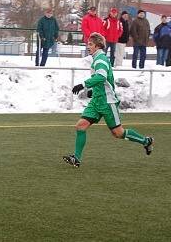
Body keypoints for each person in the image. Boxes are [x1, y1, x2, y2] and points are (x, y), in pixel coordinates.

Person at [63, 33, 154, 167]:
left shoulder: (100, 59)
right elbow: (104, 81)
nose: (88, 46)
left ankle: (146, 141)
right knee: (80, 126)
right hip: (97, 101)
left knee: (118, 133)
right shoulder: (97, 59)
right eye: (88, 44)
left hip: (107, 102)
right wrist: (93, 92)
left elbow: (101, 77)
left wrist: (83, 85)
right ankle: (76, 158)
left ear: (98, 45)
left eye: (90, 44)